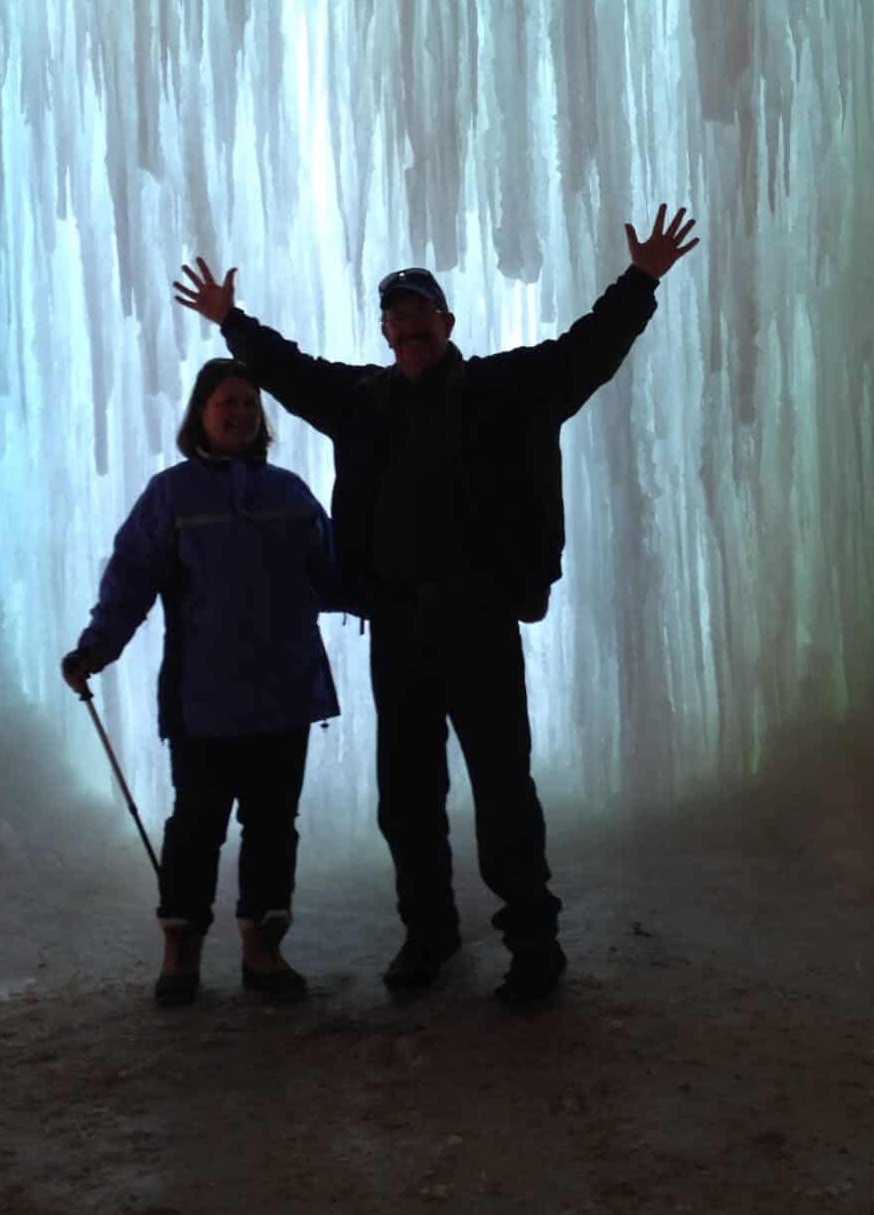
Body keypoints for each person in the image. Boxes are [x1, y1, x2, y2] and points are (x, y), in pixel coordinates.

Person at [172, 206, 700, 1005]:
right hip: (401, 625)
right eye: (396, 314)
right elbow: (289, 370)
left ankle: (532, 940)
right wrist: (229, 322)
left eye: (421, 311)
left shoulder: (503, 390)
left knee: (502, 785)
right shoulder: (360, 400)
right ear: (385, 332)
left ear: (447, 323)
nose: (409, 324)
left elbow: (584, 353)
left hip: (480, 620)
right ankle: (429, 932)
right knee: (408, 794)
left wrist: (640, 281)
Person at [61, 359, 341, 1006]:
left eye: (248, 402)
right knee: (197, 825)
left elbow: (332, 576)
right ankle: (180, 950)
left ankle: (262, 948)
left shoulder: (291, 494)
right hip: (204, 699)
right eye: (226, 403)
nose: (239, 414)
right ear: (201, 415)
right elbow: (130, 580)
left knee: (273, 825)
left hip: (284, 695)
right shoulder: (172, 495)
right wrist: (95, 648)